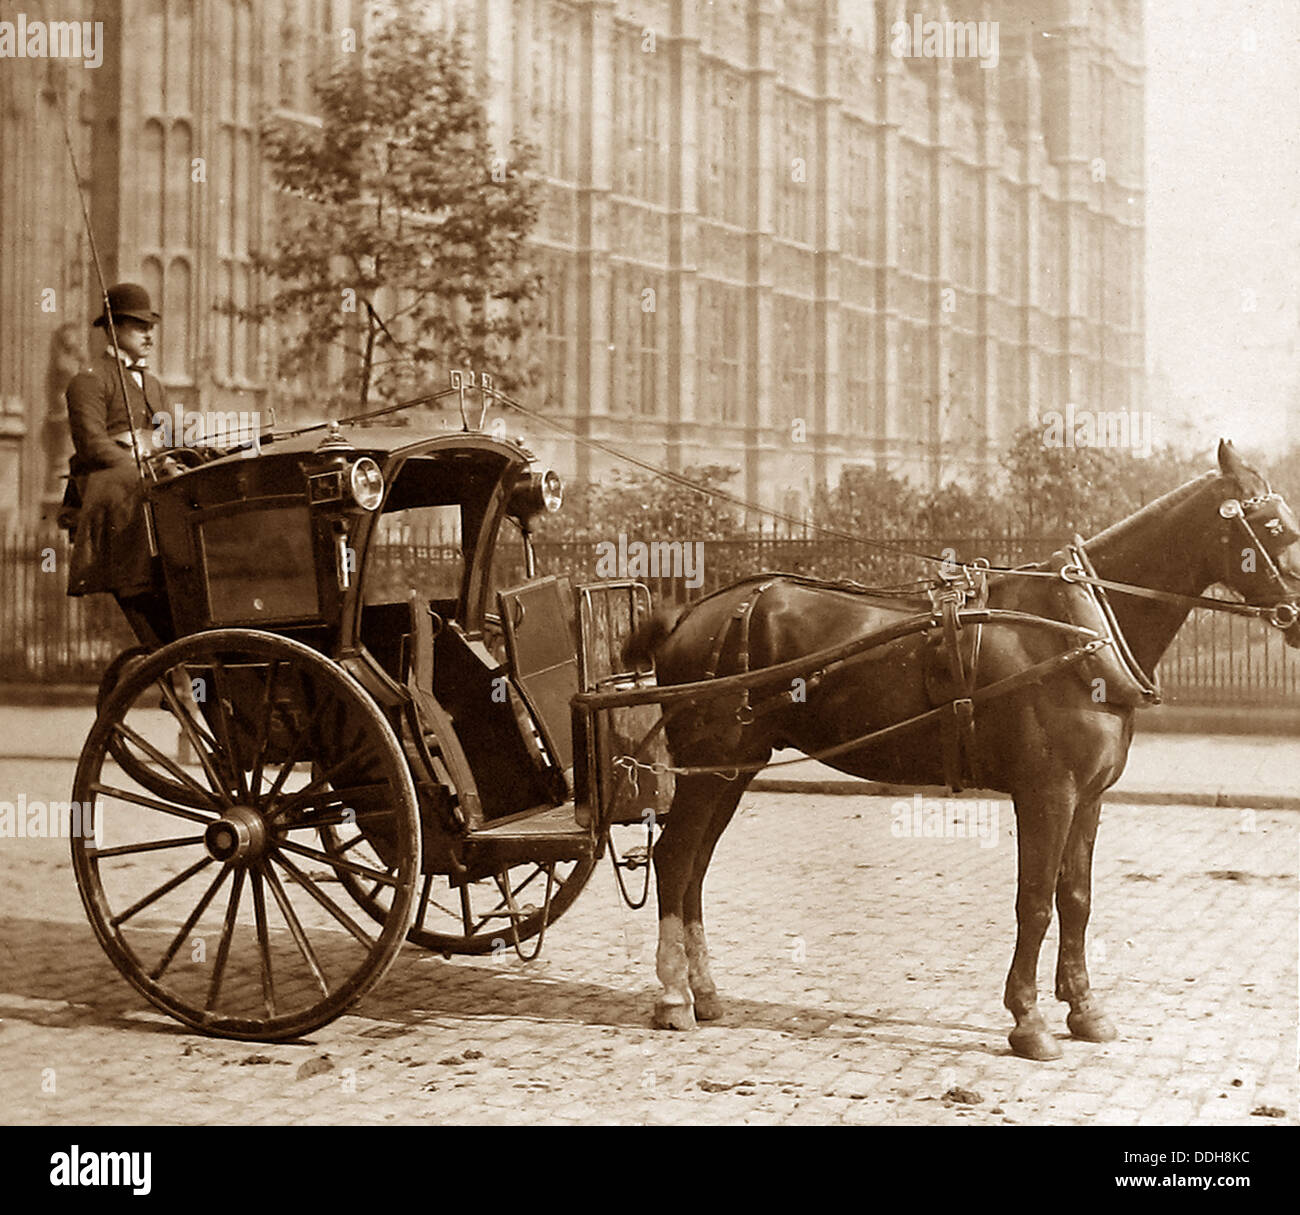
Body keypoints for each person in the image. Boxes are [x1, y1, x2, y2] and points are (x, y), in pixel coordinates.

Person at [61, 282, 173, 643]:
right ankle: (173, 670)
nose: (149, 336)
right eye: (140, 327)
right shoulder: (89, 380)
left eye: (150, 327)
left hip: (152, 489)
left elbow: (170, 438)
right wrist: (139, 459)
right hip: (114, 496)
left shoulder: (154, 385)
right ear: (113, 327)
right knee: (139, 592)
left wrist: (168, 458)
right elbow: (92, 445)